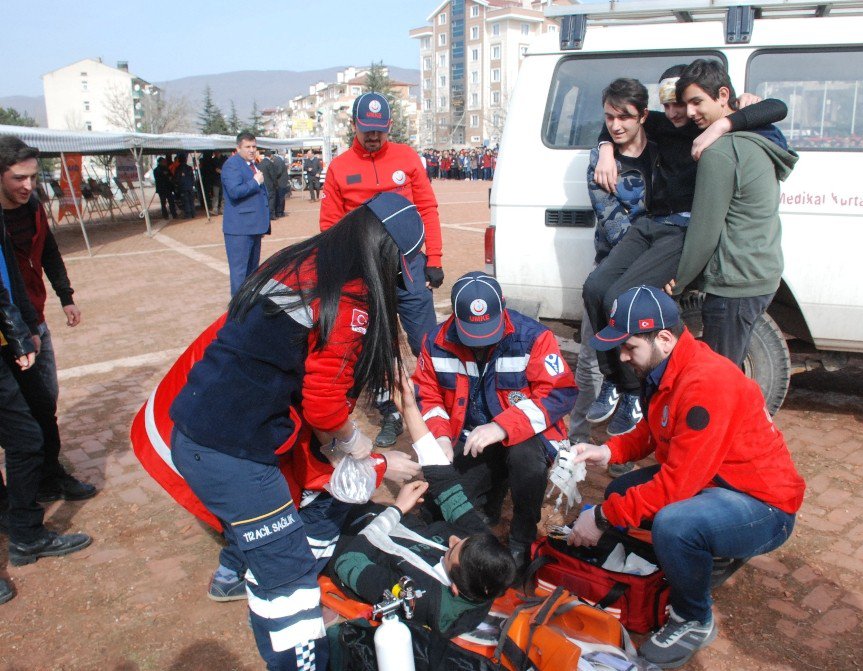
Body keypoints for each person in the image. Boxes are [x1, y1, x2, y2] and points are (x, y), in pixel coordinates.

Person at [169, 192, 424, 670]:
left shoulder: (304, 260)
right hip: (233, 452)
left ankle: (244, 566)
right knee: (289, 583)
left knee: (306, 515)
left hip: (207, 427)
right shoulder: (350, 297)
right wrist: (358, 444)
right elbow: (325, 405)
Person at [569, 285, 805, 669]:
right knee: (621, 488)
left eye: (629, 347)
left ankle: (693, 618)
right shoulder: (672, 363)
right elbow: (654, 426)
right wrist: (611, 451)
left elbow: (676, 485)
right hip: (716, 482)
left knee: (674, 525)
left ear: (663, 337)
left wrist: (599, 518)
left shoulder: (705, 383)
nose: (623, 357)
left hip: (763, 505)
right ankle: (701, 556)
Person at [585, 68, 790, 439]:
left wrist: (723, 126)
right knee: (596, 287)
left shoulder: (713, 128)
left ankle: (638, 396)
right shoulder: (667, 124)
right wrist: (603, 149)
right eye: (669, 105)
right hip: (654, 223)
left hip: (688, 234)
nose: (680, 113)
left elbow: (777, 109)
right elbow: (622, 117)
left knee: (621, 299)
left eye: (683, 103)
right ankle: (614, 383)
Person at [327, 376, 517, 637]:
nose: (452, 538)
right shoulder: (478, 551)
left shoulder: (423, 599)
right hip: (368, 513)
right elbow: (444, 481)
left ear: (454, 588)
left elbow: (349, 563)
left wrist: (396, 510)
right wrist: (409, 407)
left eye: (451, 551)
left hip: (335, 539)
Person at [412, 271, 578, 567]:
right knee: (437, 511)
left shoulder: (533, 338)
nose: (479, 343)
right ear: (455, 317)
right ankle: (491, 499)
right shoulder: (435, 342)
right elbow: (427, 395)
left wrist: (502, 426)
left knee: (525, 458)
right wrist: (439, 435)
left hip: (525, 438)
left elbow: (559, 393)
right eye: (472, 334)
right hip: (473, 440)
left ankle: (521, 538)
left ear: (503, 307)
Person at [319, 91, 444, 448]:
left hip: (409, 264)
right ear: (354, 126)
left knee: (426, 340)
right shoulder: (340, 167)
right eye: (366, 129)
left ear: (389, 126)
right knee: (377, 343)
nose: (373, 136)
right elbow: (329, 226)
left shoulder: (406, 158)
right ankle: (390, 408)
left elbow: (427, 208)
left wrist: (433, 259)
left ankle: (435, 404)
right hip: (365, 269)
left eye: (380, 130)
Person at [669, 59, 799, 365]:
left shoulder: (720, 151)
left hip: (734, 284)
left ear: (724, 95)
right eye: (685, 104)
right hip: (760, 276)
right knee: (733, 374)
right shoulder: (759, 137)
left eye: (697, 102)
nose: (690, 112)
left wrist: (677, 283)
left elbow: (704, 231)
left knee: (720, 381)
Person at [0, 207, 92, 606]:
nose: (27, 185)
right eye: (18, 177)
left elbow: (9, 287)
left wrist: (22, 331)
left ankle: (24, 530)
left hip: (15, 335)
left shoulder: (25, 213)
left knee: (29, 432)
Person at [0, 136, 95, 503]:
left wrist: (66, 297)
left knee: (45, 402)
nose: (27, 186)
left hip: (33, 321)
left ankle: (48, 475)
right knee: (19, 417)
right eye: (18, 179)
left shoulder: (35, 207)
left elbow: (50, 252)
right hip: (10, 331)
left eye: (33, 178)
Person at [221, 132, 270, 297]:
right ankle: (237, 312)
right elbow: (234, 191)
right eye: (247, 147)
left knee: (252, 273)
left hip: (253, 226)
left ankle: (248, 306)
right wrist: (255, 182)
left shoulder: (253, 164)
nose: (251, 150)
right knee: (240, 274)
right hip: (239, 229)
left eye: (254, 147)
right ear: (238, 148)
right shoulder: (232, 165)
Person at [174, 153, 196, 219]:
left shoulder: (178, 169)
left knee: (185, 201)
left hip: (183, 187)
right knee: (191, 200)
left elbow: (176, 179)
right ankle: (193, 213)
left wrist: (177, 184)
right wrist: (192, 184)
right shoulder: (189, 168)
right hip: (190, 187)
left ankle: (188, 214)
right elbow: (193, 177)